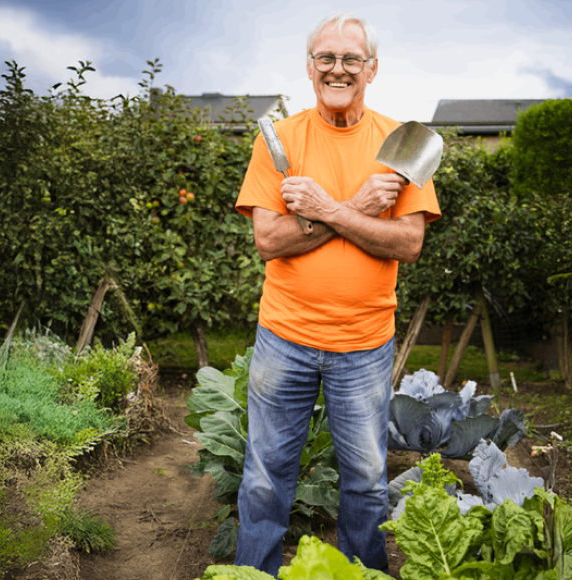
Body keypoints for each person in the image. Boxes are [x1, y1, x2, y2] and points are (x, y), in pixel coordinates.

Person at [233, 10, 441, 575]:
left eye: (351, 58)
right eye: (326, 58)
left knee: (368, 482)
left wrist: (323, 208)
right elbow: (270, 240)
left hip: (364, 344)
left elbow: (408, 242)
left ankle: (362, 575)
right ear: (309, 67)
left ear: (372, 69)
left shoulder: (400, 143)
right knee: (264, 480)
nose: (338, 68)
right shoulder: (280, 140)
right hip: (285, 337)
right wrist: (353, 207)